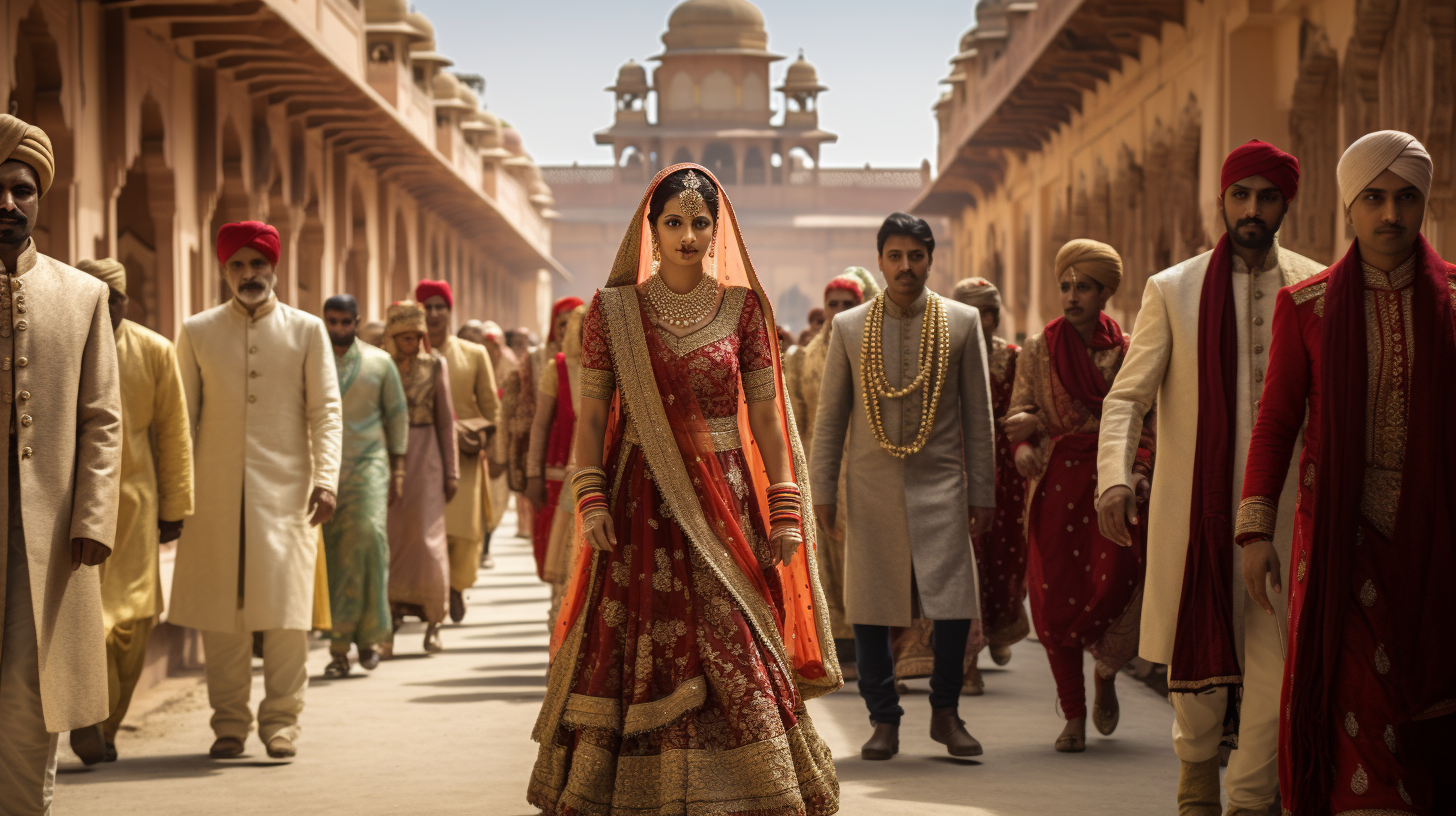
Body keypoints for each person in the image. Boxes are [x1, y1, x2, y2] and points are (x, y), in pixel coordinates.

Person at [527, 165, 839, 814]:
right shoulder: (613, 313)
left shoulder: (744, 310)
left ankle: (753, 794)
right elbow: (590, 417)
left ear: (717, 230)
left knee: (740, 646)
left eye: (701, 222)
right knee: (641, 651)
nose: (689, 235)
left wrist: (784, 508)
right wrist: (589, 499)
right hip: (642, 504)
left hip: (728, 507)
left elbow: (767, 423)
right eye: (674, 222)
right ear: (652, 229)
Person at [1097, 141, 1321, 814]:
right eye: (1240, 195)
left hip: (1283, 518)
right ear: (1222, 200)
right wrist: (1114, 476)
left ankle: (1250, 798)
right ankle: (1196, 780)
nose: (1252, 209)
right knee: (1198, 672)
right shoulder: (1174, 289)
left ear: (1286, 203)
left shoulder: (1316, 285)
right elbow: (1127, 398)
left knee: (1276, 665)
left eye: (1267, 197)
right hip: (1193, 516)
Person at [1236, 131, 1456, 816]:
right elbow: (1275, 424)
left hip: (1437, 537)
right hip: (1338, 535)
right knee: (1353, 697)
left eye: (1406, 198)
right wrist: (1254, 529)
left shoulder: (1453, 299)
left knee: (1430, 696)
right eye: (1375, 198)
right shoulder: (1308, 307)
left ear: (1425, 204)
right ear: (1349, 208)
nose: (1391, 214)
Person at [812, 212, 996, 761]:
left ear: (930, 260)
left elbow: (978, 421)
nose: (905, 266)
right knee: (870, 606)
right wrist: (822, 488)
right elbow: (830, 419)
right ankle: (883, 719)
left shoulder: (961, 323)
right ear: (880, 261)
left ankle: (946, 713)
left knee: (953, 603)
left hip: (941, 484)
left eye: (916, 256)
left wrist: (981, 492)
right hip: (869, 487)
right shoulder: (849, 328)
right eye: (895, 256)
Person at [171, 221, 342, 761]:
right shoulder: (197, 331)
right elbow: (181, 422)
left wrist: (326, 479)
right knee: (221, 618)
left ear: (274, 268)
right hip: (214, 499)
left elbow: (327, 412)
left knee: (286, 616)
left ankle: (281, 724)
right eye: (239, 266)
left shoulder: (307, 330)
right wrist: (178, 495)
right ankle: (228, 724)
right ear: (224, 270)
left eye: (258, 265)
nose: (250, 275)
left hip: (288, 497)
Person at [0, 115, 122, 812]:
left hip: (47, 543)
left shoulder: (82, 296)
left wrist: (94, 514)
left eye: (22, 189)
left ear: (40, 197)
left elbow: (102, 416)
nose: (7, 204)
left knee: (27, 689)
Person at [1004, 241, 1151, 752]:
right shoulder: (1039, 349)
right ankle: (1072, 715)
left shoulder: (1129, 350)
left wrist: (1140, 471)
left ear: (1106, 292)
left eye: (1083, 287)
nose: (1071, 297)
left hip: (1112, 488)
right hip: (1055, 488)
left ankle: (1107, 670)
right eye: (1065, 287)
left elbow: (1146, 420)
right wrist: (1023, 443)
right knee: (1054, 601)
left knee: (1116, 586)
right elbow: (1020, 408)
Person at [64, 259, 192, 765]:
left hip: (137, 507)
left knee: (135, 621)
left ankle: (107, 725)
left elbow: (175, 433)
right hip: (71, 507)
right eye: (93, 294)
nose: (104, 305)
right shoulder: (59, 345)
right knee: (86, 622)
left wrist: (176, 506)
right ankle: (87, 718)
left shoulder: (155, 351)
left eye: (112, 298)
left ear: (125, 302)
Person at [784, 269, 874, 678]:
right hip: (820, 470)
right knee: (824, 562)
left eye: (848, 305)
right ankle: (835, 647)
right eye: (833, 304)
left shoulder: (877, 356)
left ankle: (868, 648)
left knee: (865, 560)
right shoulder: (802, 358)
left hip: (868, 472)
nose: (839, 313)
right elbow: (794, 422)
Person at [320, 294, 408, 678]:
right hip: (323, 472)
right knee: (333, 557)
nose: (339, 329)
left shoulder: (380, 362)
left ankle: (371, 638)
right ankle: (339, 647)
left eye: (345, 322)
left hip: (370, 467)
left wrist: (399, 471)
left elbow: (397, 417)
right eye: (332, 322)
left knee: (370, 542)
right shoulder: (312, 361)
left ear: (357, 322)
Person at [416, 280, 499, 623]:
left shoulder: (473, 353)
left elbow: (492, 408)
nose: (434, 314)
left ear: (450, 312)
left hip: (463, 457)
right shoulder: (408, 355)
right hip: (420, 454)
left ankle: (456, 587)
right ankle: (430, 589)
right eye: (428, 308)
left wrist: (489, 447)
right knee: (423, 529)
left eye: (440, 307)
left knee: (463, 530)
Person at [382, 301, 458, 655]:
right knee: (393, 541)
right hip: (388, 459)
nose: (410, 343)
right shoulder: (381, 366)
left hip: (428, 457)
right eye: (404, 337)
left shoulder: (435, 364)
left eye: (416, 336)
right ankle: (390, 618)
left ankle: (433, 620)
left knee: (428, 541)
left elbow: (446, 420)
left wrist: (452, 470)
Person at [524, 304, 586, 625]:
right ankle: (558, 630)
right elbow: (540, 425)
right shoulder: (559, 367)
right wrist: (533, 473)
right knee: (564, 558)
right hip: (564, 478)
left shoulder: (620, 366)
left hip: (603, 474)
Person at [504, 301, 580, 545]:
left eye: (573, 323)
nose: (566, 329)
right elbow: (527, 412)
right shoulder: (540, 359)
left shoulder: (596, 359)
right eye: (561, 323)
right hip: (549, 451)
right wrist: (530, 471)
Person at [477, 320, 515, 564]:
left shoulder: (511, 368)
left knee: (496, 499)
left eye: (494, 345)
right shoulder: (474, 364)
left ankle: (487, 546)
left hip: (502, 443)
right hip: (475, 440)